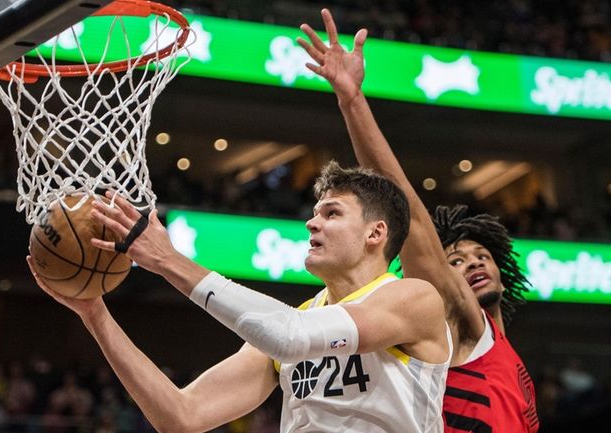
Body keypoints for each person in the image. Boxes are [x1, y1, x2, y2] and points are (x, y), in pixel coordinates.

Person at [28, 162, 451, 433]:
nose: (311, 223)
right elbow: (181, 415)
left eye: (332, 213)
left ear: (376, 233)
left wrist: (168, 260)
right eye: (315, 211)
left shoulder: (413, 299)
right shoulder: (300, 319)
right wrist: (95, 314)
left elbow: (291, 336)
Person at [296, 9, 538, 433]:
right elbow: (404, 202)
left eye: (480, 255)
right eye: (456, 261)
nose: (473, 264)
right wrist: (353, 101)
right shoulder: (456, 318)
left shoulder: (501, 350)